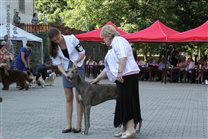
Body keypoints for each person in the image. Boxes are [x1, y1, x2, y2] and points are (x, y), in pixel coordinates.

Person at [91, 25, 142, 138]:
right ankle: (125, 128)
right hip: (123, 77)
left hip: (127, 76)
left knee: (127, 102)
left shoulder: (118, 40)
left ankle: (131, 129)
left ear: (108, 35)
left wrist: (119, 73)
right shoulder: (112, 48)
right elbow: (107, 68)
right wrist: (97, 79)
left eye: (103, 38)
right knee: (123, 102)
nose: (103, 41)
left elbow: (123, 57)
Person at [48, 27, 85, 133]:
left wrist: (76, 62)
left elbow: (82, 53)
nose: (57, 41)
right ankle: (68, 125)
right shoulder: (53, 49)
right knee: (68, 97)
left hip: (78, 67)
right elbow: (58, 63)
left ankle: (78, 125)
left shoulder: (72, 38)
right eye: (54, 40)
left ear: (60, 33)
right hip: (65, 70)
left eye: (58, 38)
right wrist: (65, 74)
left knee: (79, 98)